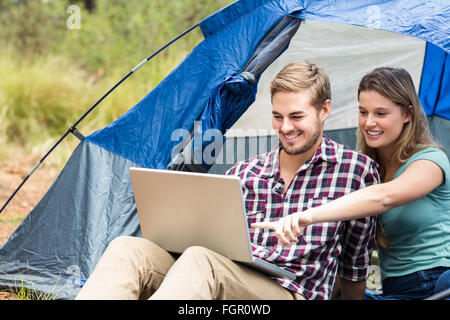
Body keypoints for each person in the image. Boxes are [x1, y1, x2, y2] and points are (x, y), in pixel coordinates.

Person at [75, 61, 380, 300]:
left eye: (297, 117)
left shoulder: (356, 171)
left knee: (202, 261)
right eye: (277, 116)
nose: (285, 128)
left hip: (290, 291)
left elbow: (354, 267)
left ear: (324, 110)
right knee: (128, 248)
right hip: (223, 273)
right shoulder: (244, 172)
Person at [253, 67, 450, 300]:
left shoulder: (430, 161)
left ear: (407, 114)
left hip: (435, 283)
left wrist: (307, 216)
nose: (369, 122)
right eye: (363, 112)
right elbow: (350, 256)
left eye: (381, 113)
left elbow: (384, 197)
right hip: (393, 291)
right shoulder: (368, 169)